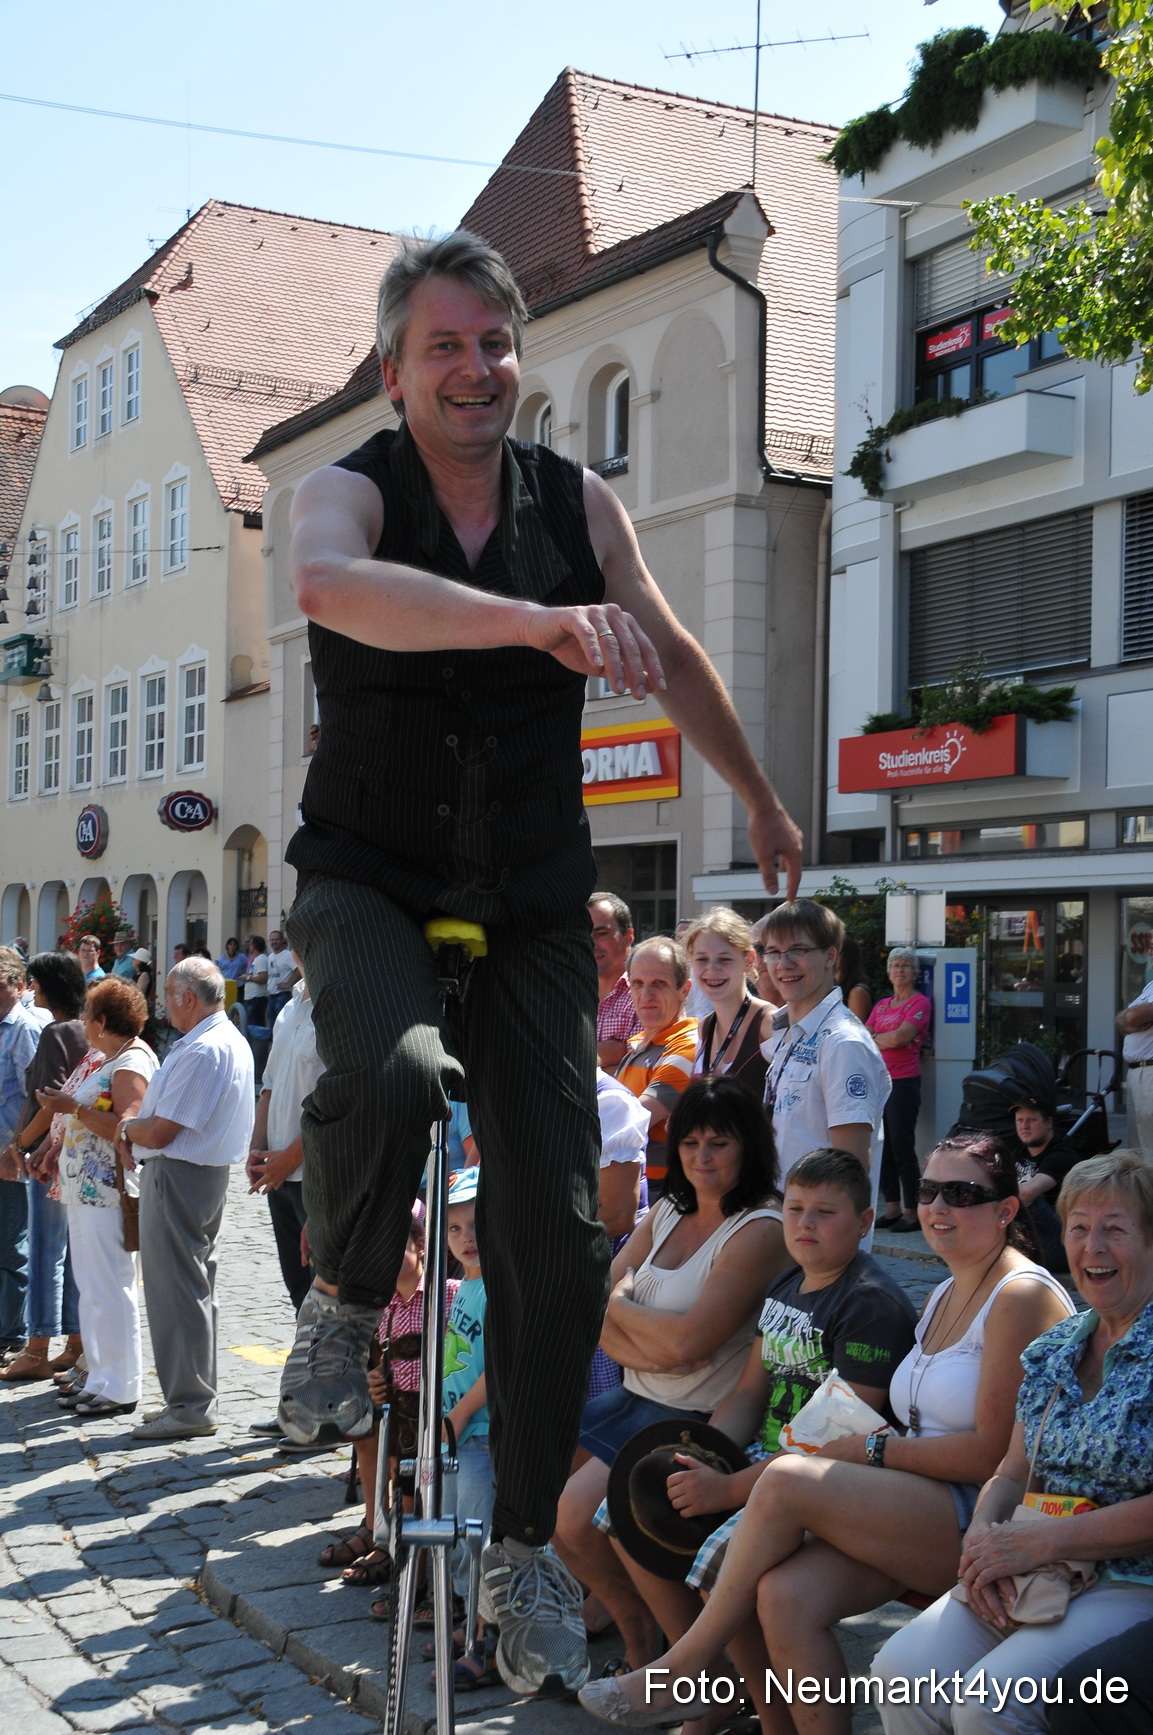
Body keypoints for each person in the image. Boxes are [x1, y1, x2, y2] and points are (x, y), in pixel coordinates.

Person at [276, 228, 802, 1696]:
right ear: (394, 368)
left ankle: (518, 1545)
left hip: (529, 894)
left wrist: (754, 793)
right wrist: (536, 625)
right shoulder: (349, 488)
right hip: (369, 874)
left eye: (495, 344)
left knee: (560, 1222)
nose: (475, 368)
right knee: (387, 1074)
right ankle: (337, 1288)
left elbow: (676, 645)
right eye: (443, 346)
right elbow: (334, 588)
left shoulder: (575, 502)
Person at [581, 1133, 1075, 1733]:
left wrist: (872, 1450)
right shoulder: (948, 1287)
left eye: (962, 1193)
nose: (938, 1206)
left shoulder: (1018, 1294)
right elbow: (761, 1396)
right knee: (784, 1595)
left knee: (788, 1477)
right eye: (927, 1190)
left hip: (985, 1519)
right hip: (913, 1500)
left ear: (1006, 1209)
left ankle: (688, 1669)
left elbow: (993, 1455)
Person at [602, 1149, 917, 1710]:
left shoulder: (871, 1305)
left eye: (825, 1212)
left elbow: (836, 1442)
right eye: (795, 1209)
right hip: (761, 1461)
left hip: (827, 1482)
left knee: (716, 1566)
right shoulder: (787, 1284)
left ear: (865, 1223)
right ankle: (718, 1689)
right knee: (629, 1508)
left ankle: (756, 1708)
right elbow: (749, 1392)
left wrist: (727, 1488)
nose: (805, 1225)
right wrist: (706, 1457)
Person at [874, 1149, 1153, 1735]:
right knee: (900, 1670)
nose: (1093, 1247)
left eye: (1116, 1230)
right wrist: (982, 1542)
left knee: (992, 1701)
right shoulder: (1055, 1350)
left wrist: (1042, 1543)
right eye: (1079, 1228)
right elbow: (1009, 1470)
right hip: (1034, 1563)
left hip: (1129, 1578)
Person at [555, 1078, 789, 1675]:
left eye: (719, 1142)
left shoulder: (760, 1227)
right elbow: (593, 1305)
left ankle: (692, 1667)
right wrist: (656, 1342)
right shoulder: (667, 1209)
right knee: (556, 1514)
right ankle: (643, 1632)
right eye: (689, 1143)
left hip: (691, 1417)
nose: (702, 1157)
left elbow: (694, 1341)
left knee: (584, 1518)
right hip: (637, 1396)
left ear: (749, 1147)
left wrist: (628, 1314)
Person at [116, 958, 254, 1440]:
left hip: (180, 1173)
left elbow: (160, 1130)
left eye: (169, 996)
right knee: (192, 1286)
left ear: (188, 998)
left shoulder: (204, 1048)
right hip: (196, 1173)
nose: (163, 1005)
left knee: (177, 1288)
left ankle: (191, 1404)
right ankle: (192, 1397)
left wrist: (125, 1127)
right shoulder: (221, 1038)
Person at [38, 978, 157, 1418]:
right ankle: (103, 1378)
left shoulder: (131, 1062)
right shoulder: (112, 1058)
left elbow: (128, 1126)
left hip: (109, 1192)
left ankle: (121, 1385)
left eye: (88, 1015)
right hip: (87, 1192)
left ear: (104, 1022)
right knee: (92, 1288)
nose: (83, 1022)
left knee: (111, 1288)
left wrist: (74, 1110)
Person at [760, 899, 890, 1239]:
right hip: (781, 1221)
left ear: (831, 956)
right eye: (773, 952)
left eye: (798, 950)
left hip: (817, 1240)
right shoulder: (789, 1031)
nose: (783, 963)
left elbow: (849, 1166)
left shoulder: (843, 1043)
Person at [0, 952, 88, 1382]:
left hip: (47, 1156)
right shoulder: (84, 1029)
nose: (31, 990)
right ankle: (75, 1343)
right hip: (69, 1153)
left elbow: (48, 1101)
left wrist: (20, 1143)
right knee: (69, 1254)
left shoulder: (55, 1031)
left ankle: (36, 1349)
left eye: (34, 983)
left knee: (44, 1252)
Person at [246, 965, 321, 1315]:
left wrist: (289, 1158)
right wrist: (256, 1150)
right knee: (298, 1291)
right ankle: (306, 1367)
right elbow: (269, 1086)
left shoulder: (336, 1005)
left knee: (326, 1292)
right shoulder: (290, 1007)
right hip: (277, 1174)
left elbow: (338, 1102)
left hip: (314, 1175)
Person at [615, 937, 699, 1193]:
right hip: (630, 1181)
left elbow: (634, 1118)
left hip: (659, 1189)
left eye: (658, 984)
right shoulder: (638, 1044)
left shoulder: (688, 1045)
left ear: (684, 989)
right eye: (638, 984)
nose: (646, 995)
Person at [869, 946, 933, 1232]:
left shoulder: (920, 1003)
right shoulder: (882, 1005)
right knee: (883, 1148)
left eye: (906, 965)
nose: (900, 970)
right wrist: (887, 1038)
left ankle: (912, 1212)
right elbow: (865, 1035)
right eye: (895, 965)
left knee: (902, 1147)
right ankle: (892, 1208)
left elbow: (901, 1037)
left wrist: (881, 1037)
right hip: (879, 1082)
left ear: (915, 972)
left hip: (904, 1082)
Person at [0, 948, 45, 1356]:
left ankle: (11, 1335)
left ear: (17, 986)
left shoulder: (24, 1029)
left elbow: (34, 1100)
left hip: (10, 1156)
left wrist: (15, 1147)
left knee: (12, 1246)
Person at [684, 907, 776, 1100]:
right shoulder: (705, 1027)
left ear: (748, 960)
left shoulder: (769, 1024)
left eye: (724, 959)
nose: (712, 969)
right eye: (702, 959)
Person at [1011, 1097, 1082, 1273]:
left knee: (1027, 1200)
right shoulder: (1018, 1151)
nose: (1024, 1126)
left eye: (1032, 1120)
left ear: (1048, 1122)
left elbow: (1028, 1193)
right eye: (1020, 1120)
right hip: (1030, 1237)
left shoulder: (1062, 1154)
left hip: (1060, 1243)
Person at [589, 894, 641, 1070]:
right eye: (584, 934)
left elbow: (638, 1072)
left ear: (629, 935)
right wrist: (610, 1053)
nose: (592, 943)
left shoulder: (645, 994)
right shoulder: (568, 993)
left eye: (601, 933)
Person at [1116, 979, 1153, 1158]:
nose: (1150, 953)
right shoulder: (1150, 986)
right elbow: (1121, 1019)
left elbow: (1131, 1017)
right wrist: (1126, 1018)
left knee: (1149, 1145)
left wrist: (1128, 1018)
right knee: (1137, 1150)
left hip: (1150, 1073)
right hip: (1137, 1073)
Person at [836, 932, 872, 1023]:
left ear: (846, 956)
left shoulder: (857, 992)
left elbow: (855, 1030)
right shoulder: (829, 987)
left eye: (835, 952)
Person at [265, 930, 300, 1023]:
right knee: (272, 1027)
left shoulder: (288, 955)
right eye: (272, 940)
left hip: (283, 996)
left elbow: (299, 969)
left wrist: (289, 984)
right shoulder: (270, 957)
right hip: (271, 997)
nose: (274, 942)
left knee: (282, 1025)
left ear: (282, 941)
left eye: (276, 939)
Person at [242, 935, 270, 1029]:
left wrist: (248, 978)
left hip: (257, 999)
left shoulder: (261, 959)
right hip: (252, 998)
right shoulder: (256, 959)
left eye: (250, 944)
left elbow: (262, 978)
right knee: (250, 1025)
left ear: (254, 946)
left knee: (256, 1026)